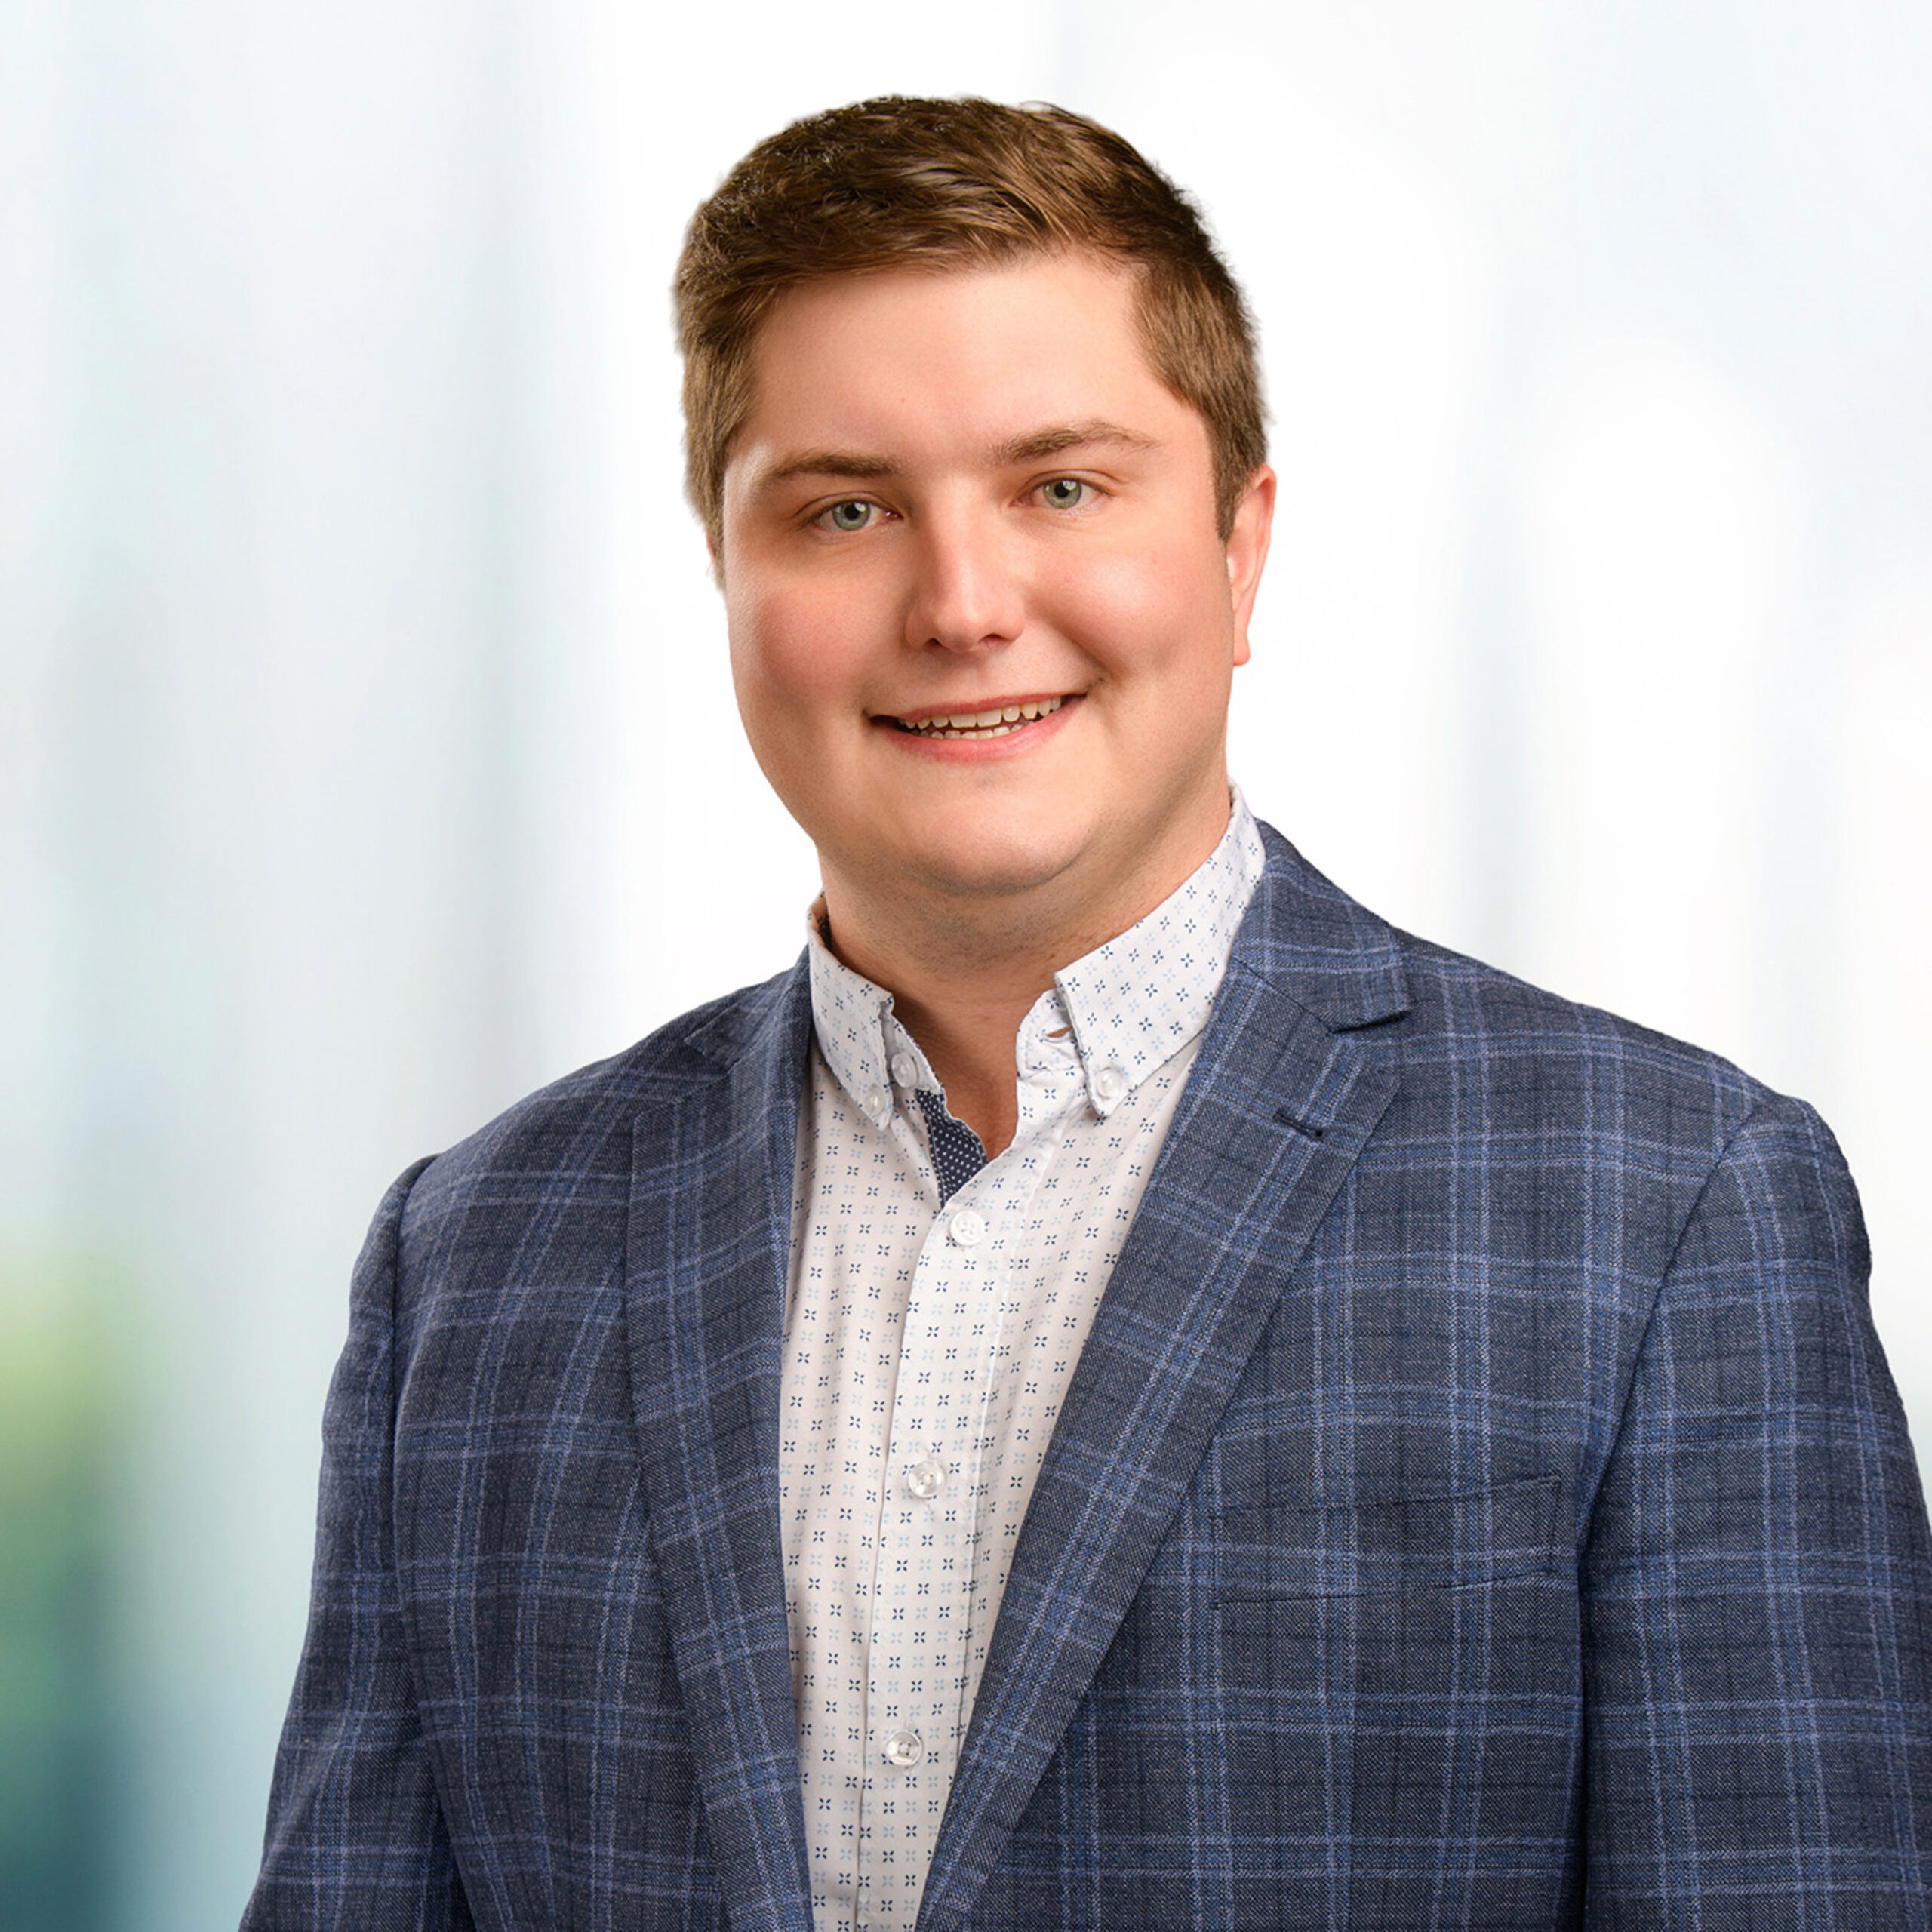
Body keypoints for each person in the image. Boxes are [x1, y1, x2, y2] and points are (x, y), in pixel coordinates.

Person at [244, 97, 1930, 1931]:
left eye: (1060, 484)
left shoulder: (1663, 1210)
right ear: (725, 576)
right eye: (844, 507)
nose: (963, 603)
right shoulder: (474, 1255)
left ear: (1239, 550)